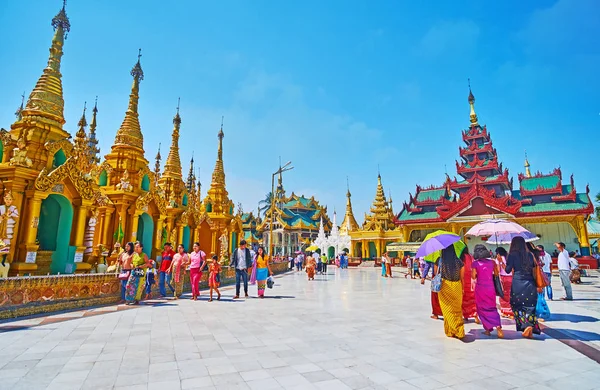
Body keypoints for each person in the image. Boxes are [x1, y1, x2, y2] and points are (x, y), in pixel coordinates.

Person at [506, 237, 541, 338]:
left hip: (518, 283)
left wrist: (502, 262)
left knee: (517, 305)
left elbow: (507, 270)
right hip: (530, 283)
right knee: (530, 306)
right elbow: (535, 268)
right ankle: (529, 327)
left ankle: (526, 326)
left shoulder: (512, 255)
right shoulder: (530, 255)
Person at [471, 244, 503, 338]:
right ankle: (498, 326)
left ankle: (488, 329)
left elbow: (473, 276)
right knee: (492, 307)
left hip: (480, 288)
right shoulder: (492, 262)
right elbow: (496, 274)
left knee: (481, 308)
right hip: (491, 287)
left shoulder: (475, 264)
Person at [437, 246, 465, 339]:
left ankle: (456, 330)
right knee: (457, 309)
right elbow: (462, 276)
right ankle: (452, 330)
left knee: (447, 309)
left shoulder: (440, 261)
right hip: (457, 286)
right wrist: (463, 288)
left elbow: (436, 273)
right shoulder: (459, 262)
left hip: (445, 286)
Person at [528, 243, 551, 322]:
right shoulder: (535, 255)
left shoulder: (531, 255)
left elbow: (536, 268)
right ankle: (538, 313)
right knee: (538, 297)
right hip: (533, 278)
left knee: (537, 297)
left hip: (535, 278)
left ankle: (540, 314)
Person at [461, 247, 478, 324]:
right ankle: (475, 315)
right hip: (471, 280)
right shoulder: (471, 256)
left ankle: (466, 315)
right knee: (472, 299)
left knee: (464, 299)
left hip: (464, 279)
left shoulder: (461, 258)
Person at [495, 247, 513, 319]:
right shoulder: (509, 257)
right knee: (510, 294)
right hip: (511, 277)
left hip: (503, 278)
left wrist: (499, 262)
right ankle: (511, 310)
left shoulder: (499, 259)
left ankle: (505, 311)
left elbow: (498, 270)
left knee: (503, 294)